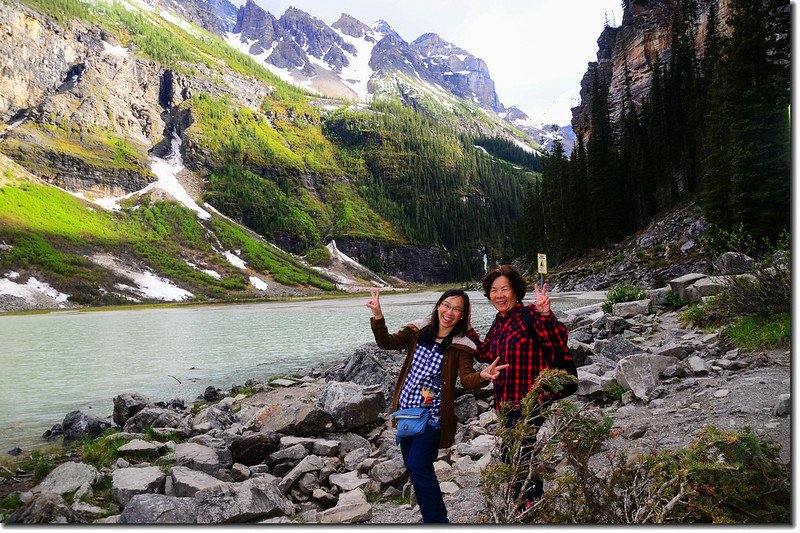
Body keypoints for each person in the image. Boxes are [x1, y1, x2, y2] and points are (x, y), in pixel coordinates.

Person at [367, 287, 507, 523]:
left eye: (457, 309)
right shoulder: (417, 329)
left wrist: (483, 375)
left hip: (433, 417)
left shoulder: (461, 344)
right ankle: (434, 518)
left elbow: (467, 379)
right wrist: (378, 316)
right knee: (416, 469)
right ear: (439, 305)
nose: (450, 312)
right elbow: (386, 342)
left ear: (463, 316)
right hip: (406, 412)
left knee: (418, 465)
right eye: (447, 305)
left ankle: (438, 522)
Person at [465, 264, 574, 508]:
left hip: (531, 400)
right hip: (505, 401)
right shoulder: (499, 322)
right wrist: (469, 330)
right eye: (494, 290)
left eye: (505, 289)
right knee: (516, 451)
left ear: (516, 291)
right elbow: (486, 353)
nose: (499, 295)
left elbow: (558, 339)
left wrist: (546, 314)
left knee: (517, 450)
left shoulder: (531, 315)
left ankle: (526, 503)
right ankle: (528, 501)